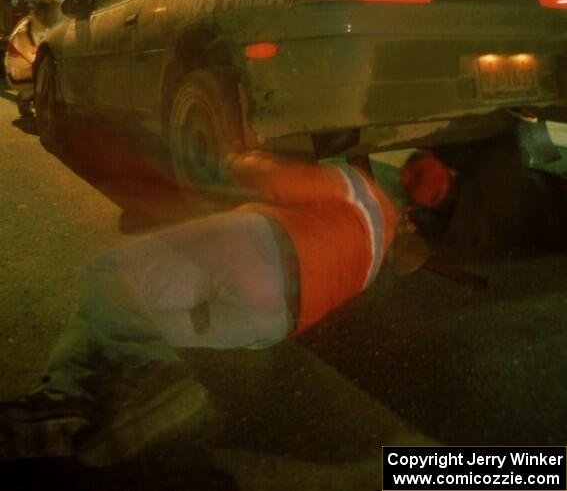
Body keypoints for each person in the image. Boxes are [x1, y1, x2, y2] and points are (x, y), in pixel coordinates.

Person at [0, 151, 398, 460]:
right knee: (121, 316)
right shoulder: (373, 262)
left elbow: (279, 182)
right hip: (268, 323)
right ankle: (61, 405)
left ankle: (147, 375)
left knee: (108, 275)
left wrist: (242, 158)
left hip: (255, 251)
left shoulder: (359, 187)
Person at [4, 0, 62, 117]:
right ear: (42, 13)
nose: (56, 17)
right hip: (18, 74)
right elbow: (36, 60)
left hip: (23, 68)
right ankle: (26, 98)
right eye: (54, 13)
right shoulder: (26, 30)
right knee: (54, 75)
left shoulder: (36, 24)